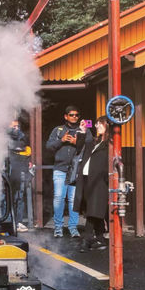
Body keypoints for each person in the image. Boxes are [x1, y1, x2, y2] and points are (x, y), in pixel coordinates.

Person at [45, 105, 88, 239]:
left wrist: (77, 141)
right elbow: (49, 147)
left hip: (76, 170)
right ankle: (58, 228)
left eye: (76, 115)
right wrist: (61, 140)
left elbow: (90, 146)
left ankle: (73, 228)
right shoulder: (58, 130)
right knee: (59, 198)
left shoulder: (83, 130)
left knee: (73, 200)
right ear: (66, 116)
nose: (74, 117)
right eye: (71, 115)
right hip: (60, 169)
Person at [73, 115, 110, 251]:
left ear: (107, 126)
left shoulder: (109, 143)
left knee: (93, 210)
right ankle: (100, 238)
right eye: (95, 124)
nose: (96, 126)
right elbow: (79, 147)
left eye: (99, 124)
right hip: (88, 179)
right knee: (94, 209)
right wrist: (82, 131)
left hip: (100, 180)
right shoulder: (96, 141)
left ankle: (87, 238)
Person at [8, 119, 30, 231]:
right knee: (5, 197)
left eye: (17, 127)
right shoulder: (3, 138)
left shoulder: (22, 137)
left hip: (20, 169)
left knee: (20, 197)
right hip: (8, 170)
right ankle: (6, 222)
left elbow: (23, 147)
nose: (16, 129)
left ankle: (18, 222)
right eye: (13, 127)